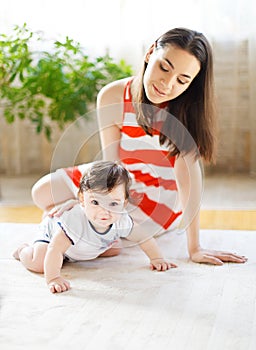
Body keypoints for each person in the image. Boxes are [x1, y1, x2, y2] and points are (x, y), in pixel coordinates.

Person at [31, 27, 247, 266]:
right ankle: (81, 230)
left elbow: (189, 183)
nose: (167, 84)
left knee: (123, 233)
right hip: (122, 178)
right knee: (42, 191)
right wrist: (89, 200)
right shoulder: (112, 95)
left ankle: (90, 237)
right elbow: (110, 163)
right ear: (150, 53)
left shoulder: (186, 113)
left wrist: (194, 248)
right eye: (164, 67)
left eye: (182, 80)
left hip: (160, 194)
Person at [13, 161, 176, 294]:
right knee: (41, 262)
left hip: (81, 246)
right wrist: (53, 278)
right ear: (82, 200)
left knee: (116, 248)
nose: (104, 210)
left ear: (124, 203)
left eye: (113, 203)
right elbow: (55, 249)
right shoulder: (75, 221)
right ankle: (23, 251)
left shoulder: (121, 219)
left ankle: (79, 252)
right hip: (53, 238)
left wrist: (157, 258)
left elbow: (143, 237)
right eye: (95, 202)